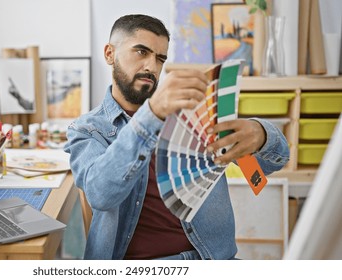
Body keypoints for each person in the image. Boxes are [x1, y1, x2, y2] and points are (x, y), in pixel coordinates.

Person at [64, 14, 289, 260]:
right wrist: (151, 115)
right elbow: (101, 194)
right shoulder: (87, 129)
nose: (151, 67)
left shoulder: (194, 112)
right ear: (109, 54)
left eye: (160, 58)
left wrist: (261, 133)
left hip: (212, 259)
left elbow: (272, 164)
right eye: (141, 52)